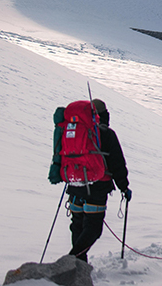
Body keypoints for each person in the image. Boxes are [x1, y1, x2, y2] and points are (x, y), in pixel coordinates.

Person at [67, 98, 131, 262]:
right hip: (97, 188)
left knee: (78, 225)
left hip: (75, 185)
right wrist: (124, 187)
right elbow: (117, 164)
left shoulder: (72, 130)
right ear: (105, 115)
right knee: (93, 229)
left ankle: (78, 264)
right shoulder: (106, 134)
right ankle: (72, 260)